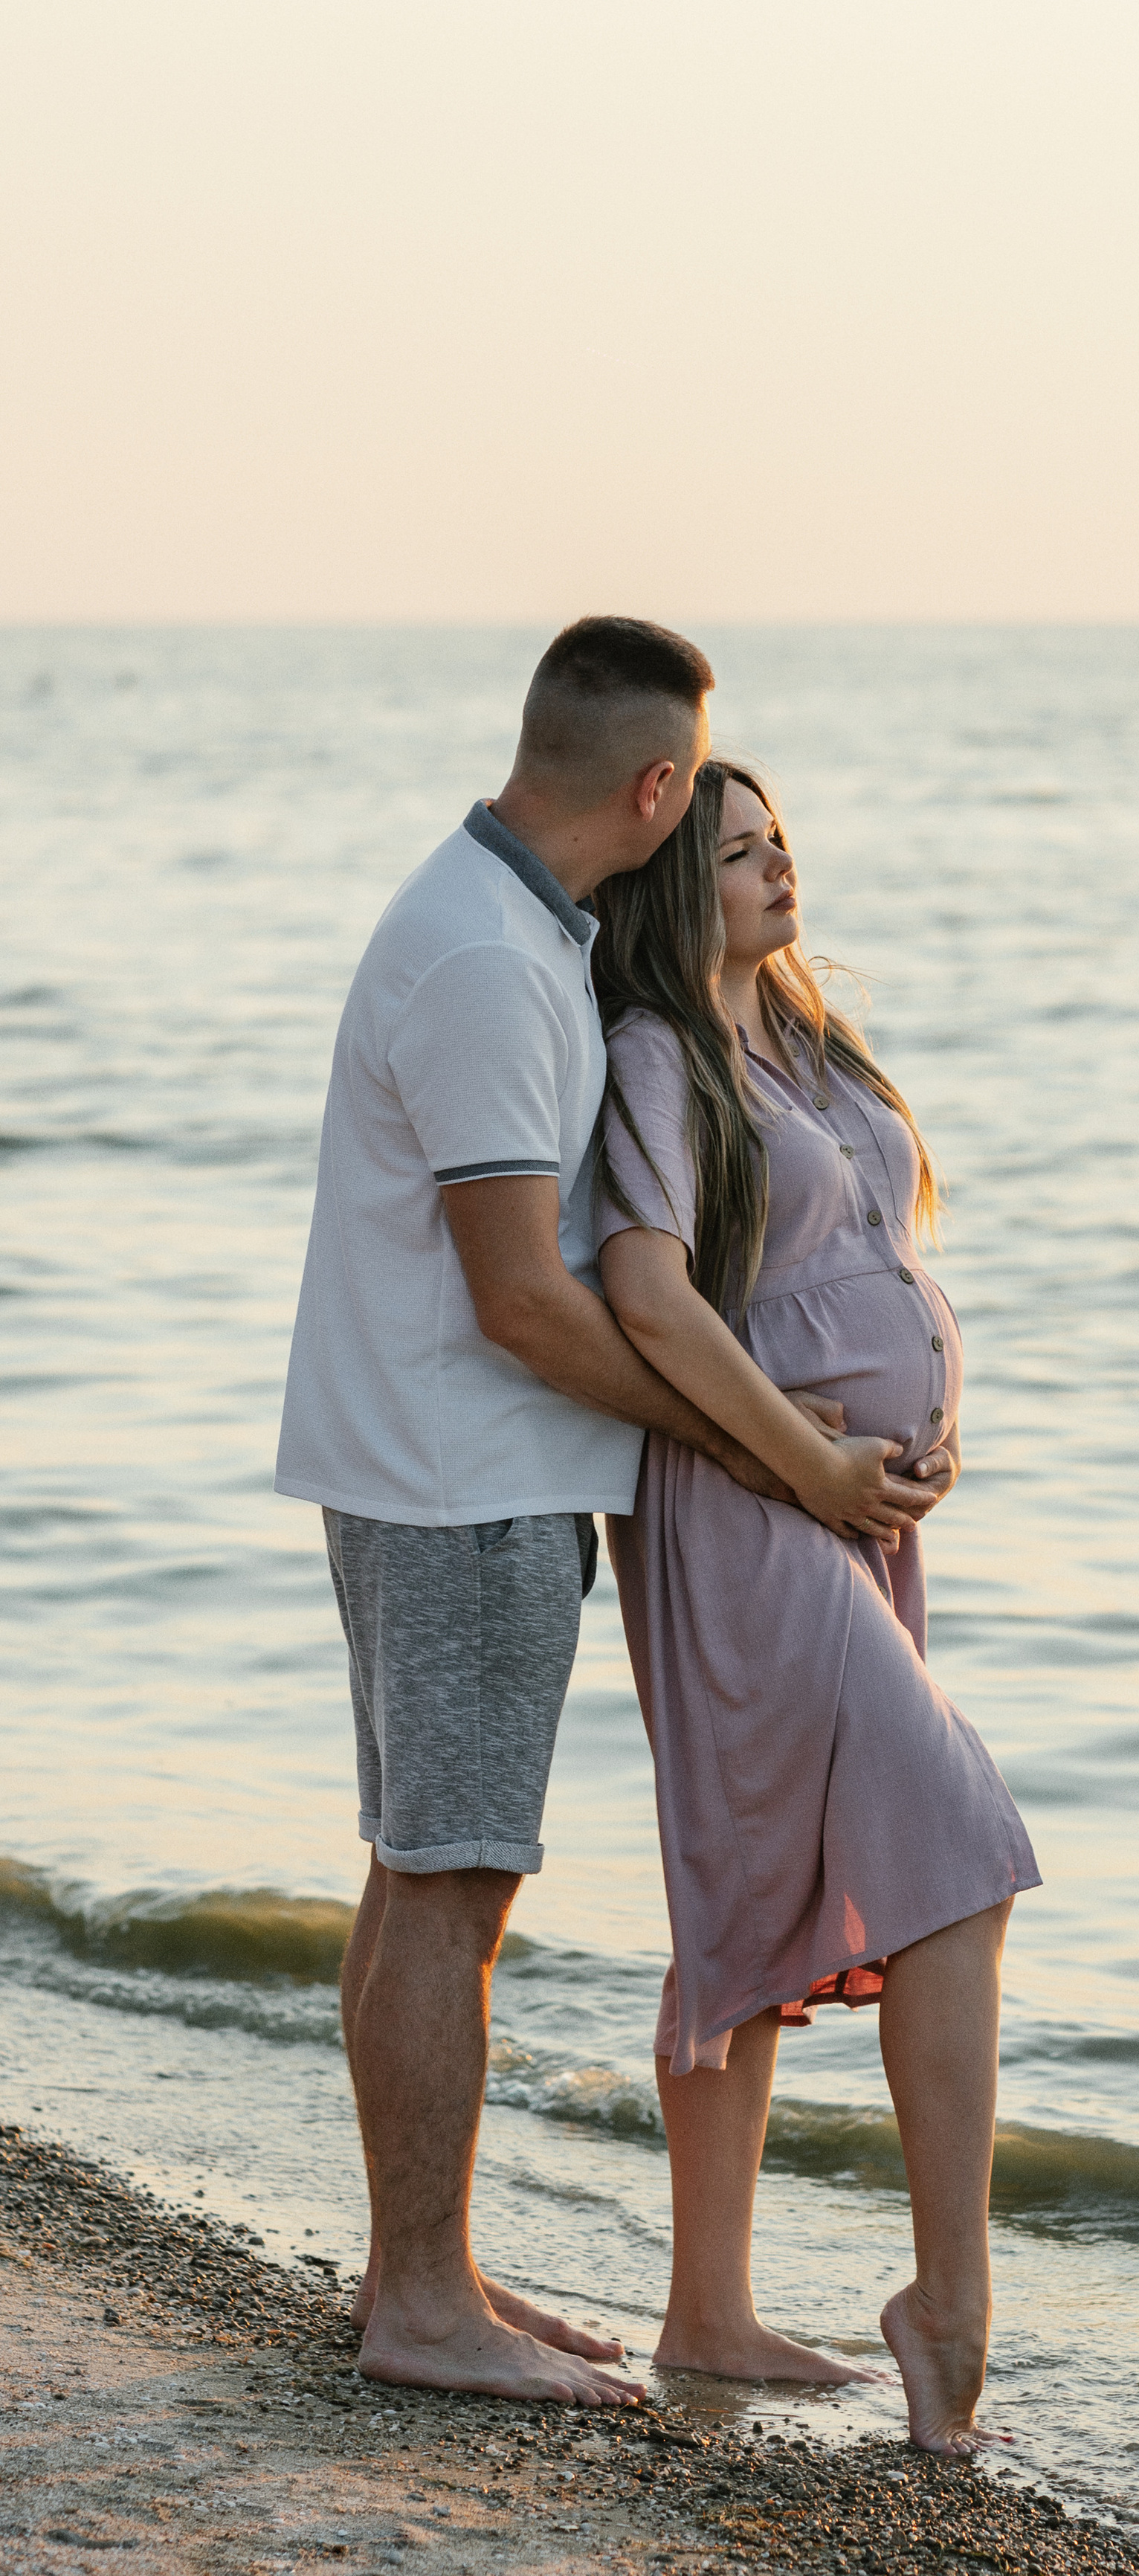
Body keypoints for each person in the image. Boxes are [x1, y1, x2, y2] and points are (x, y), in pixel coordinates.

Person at [274, 621, 945, 2403]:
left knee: (424, 1867)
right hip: (458, 1482)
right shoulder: (492, 966)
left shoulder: (507, 932)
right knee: (453, 1877)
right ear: (656, 789)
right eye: (704, 796)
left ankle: (424, 2277)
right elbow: (527, 1301)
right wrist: (765, 1454)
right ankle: (422, 2305)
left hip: (444, 1473)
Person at [593, 758, 1041, 2456]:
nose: (778, 866)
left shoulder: (805, 1042)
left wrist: (920, 1434)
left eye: (783, 838)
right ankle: (948, 2300)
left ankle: (705, 2311)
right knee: (960, 1840)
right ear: (662, 883)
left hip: (853, 1515)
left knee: (752, 1877)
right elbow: (644, 1293)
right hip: (742, 1497)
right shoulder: (654, 1057)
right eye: (734, 852)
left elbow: (875, 1268)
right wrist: (811, 1460)